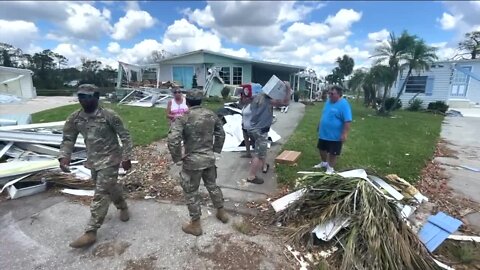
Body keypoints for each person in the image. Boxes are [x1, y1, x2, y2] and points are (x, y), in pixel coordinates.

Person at [59, 84, 133, 248]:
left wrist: (127, 157)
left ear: (97, 96)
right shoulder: (75, 118)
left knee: (101, 193)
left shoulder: (109, 115)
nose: (84, 100)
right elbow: (68, 139)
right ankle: (123, 206)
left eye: (88, 96)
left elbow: (125, 135)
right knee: (110, 188)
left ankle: (91, 231)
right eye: (81, 97)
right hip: (93, 160)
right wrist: (64, 157)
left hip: (111, 159)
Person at [167, 89, 228, 236]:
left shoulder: (183, 118)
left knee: (191, 191)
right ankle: (221, 212)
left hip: (192, 162)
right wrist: (216, 151)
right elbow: (221, 133)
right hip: (208, 159)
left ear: (187, 101)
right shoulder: (211, 115)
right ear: (202, 101)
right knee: (212, 185)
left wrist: (177, 158)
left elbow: (172, 140)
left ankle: (195, 224)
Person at [246, 81, 291, 184]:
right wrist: (288, 89)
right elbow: (285, 102)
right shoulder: (267, 100)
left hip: (253, 129)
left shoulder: (256, 98)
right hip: (260, 131)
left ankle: (264, 166)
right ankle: (251, 176)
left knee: (261, 150)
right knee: (258, 154)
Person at [314, 85, 352, 174]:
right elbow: (324, 114)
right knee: (321, 149)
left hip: (335, 136)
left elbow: (347, 121)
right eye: (329, 93)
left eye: (332, 93)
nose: (329, 95)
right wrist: (319, 124)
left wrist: (345, 133)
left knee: (333, 153)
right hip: (324, 133)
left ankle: (330, 168)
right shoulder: (328, 102)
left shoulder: (344, 104)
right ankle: (324, 163)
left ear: (339, 94)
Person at [240, 86, 255, 158]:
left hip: (251, 127)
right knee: (246, 140)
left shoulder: (251, 106)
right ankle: (248, 153)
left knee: (254, 141)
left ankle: (257, 156)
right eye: (243, 98)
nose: (243, 99)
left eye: (244, 98)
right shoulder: (244, 107)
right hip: (244, 126)